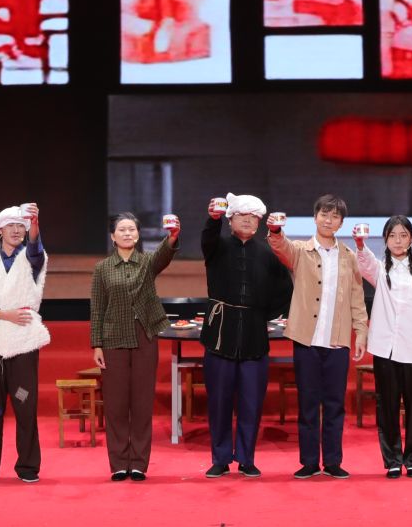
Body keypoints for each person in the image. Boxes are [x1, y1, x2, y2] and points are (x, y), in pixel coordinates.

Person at [266, 194, 370, 479]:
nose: (328, 220)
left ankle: (333, 462)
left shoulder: (348, 256)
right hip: (306, 340)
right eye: (324, 214)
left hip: (337, 342)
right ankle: (309, 462)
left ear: (341, 223)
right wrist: (275, 230)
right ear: (315, 217)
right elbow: (280, 246)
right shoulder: (301, 250)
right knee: (308, 404)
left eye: (335, 216)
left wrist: (361, 332)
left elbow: (357, 298)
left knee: (335, 405)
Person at [199, 192, 289, 478]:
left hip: (254, 336)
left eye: (253, 217)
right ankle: (221, 458)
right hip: (219, 334)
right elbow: (208, 236)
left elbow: (284, 289)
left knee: (251, 402)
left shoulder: (268, 253)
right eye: (241, 215)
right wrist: (212, 220)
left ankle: (247, 458)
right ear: (230, 219)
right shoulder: (217, 246)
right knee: (219, 402)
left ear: (259, 222)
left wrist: (262, 314)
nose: (248, 221)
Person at [89, 209, 181, 481]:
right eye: (122, 230)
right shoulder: (102, 268)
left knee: (141, 403)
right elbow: (97, 308)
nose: (127, 233)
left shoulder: (148, 263)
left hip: (144, 337)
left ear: (138, 235)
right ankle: (119, 463)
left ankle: (139, 463)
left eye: (132, 229)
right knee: (116, 404)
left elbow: (164, 255)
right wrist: (96, 345)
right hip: (113, 338)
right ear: (113, 236)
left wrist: (172, 236)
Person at [353, 215, 412, 478]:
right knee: (387, 406)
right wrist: (360, 244)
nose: (398, 241)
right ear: (385, 239)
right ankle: (392, 459)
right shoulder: (381, 270)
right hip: (385, 349)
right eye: (392, 236)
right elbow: (365, 263)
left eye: (403, 235)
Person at [0, 201, 48, 483]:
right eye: (11, 226)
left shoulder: (32, 258)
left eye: (21, 226)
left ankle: (27, 467)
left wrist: (34, 223)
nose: (16, 230)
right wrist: (3, 314)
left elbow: (35, 248)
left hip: (23, 343)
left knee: (24, 404)